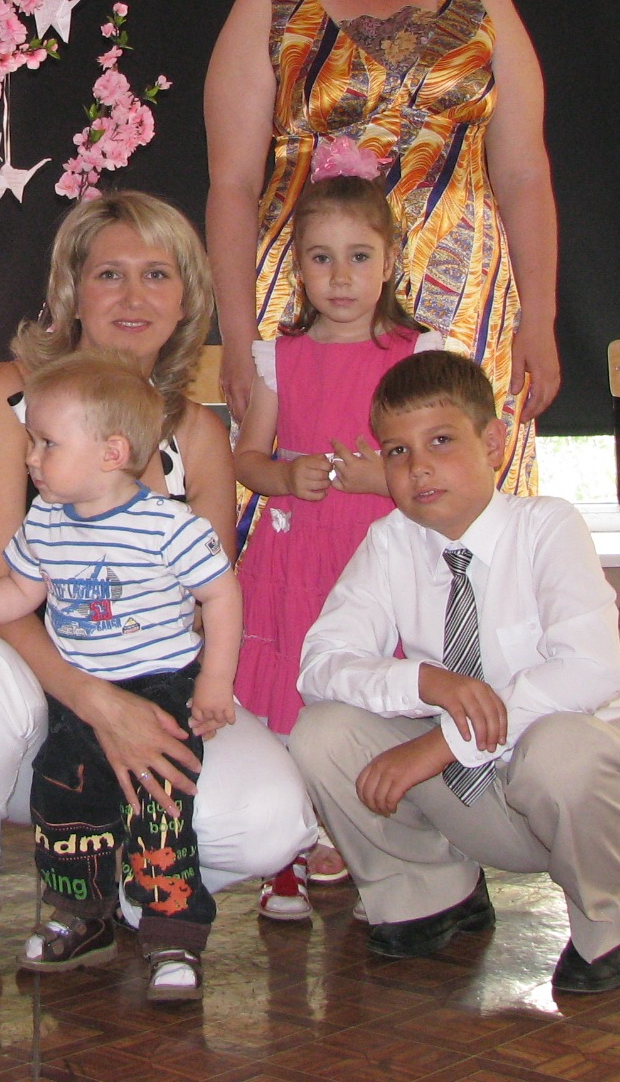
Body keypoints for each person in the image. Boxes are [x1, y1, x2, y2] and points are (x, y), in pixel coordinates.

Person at [0, 192, 317, 987]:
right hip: (31, 709)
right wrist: (97, 703)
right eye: (110, 274)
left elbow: (210, 600)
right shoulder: (11, 396)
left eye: (157, 275)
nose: (134, 296)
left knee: (275, 822)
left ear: (186, 298)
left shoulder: (200, 433)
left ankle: (128, 890)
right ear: (71, 291)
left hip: (152, 686)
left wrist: (162, 707)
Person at [204, 0, 561, 493]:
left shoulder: (484, 0)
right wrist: (238, 340)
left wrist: (541, 319)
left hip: (464, 301)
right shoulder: (268, 5)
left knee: (455, 500)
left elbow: (525, 173)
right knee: (310, 498)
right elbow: (232, 186)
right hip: (310, 300)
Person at [290, 350, 620, 994]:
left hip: (577, 793)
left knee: (563, 749)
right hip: (469, 800)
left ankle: (607, 919)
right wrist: (424, 682)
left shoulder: (548, 527)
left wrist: (440, 742)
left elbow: (591, 670)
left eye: (440, 440)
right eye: (397, 451)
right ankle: (431, 895)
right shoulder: (389, 543)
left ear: (493, 443)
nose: (418, 467)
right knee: (322, 733)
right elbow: (321, 665)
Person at [0, 352, 241, 1001]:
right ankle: (82, 915)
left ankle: (171, 933)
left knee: (160, 812)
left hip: (158, 687)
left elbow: (222, 594)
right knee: (66, 801)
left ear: (111, 452)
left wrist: (214, 682)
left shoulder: (166, 525)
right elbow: (21, 588)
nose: (31, 457)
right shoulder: (46, 521)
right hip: (77, 692)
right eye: (31, 441)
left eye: (47, 444)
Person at [230, 157, 442, 922]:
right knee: (289, 696)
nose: (341, 277)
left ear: (389, 263)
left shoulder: (417, 355)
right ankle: (286, 843)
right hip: (295, 558)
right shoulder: (278, 358)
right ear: (297, 267)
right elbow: (247, 459)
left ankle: (357, 830)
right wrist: (284, 477)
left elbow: (441, 466)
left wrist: (380, 477)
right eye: (321, 259)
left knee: (364, 691)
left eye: (359, 257)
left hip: (379, 559)